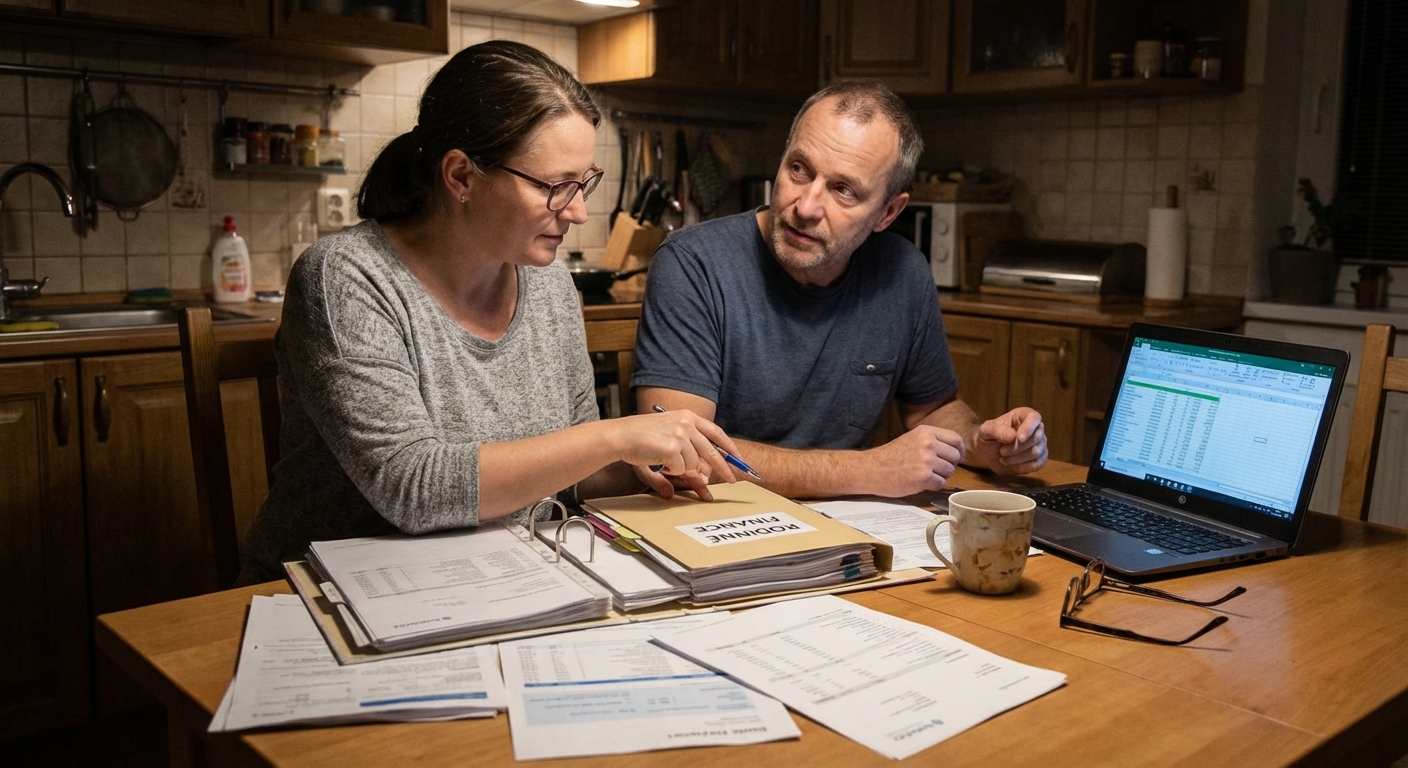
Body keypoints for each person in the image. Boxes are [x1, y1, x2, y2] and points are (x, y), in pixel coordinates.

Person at [238, 41, 741, 585]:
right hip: (331, 595)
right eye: (555, 186)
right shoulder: (346, 277)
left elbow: (567, 474)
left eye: (584, 181)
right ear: (460, 176)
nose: (577, 210)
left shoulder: (547, 283)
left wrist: (640, 468)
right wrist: (616, 437)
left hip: (496, 579)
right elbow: (413, 488)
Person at [632, 80, 1047, 500]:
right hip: (715, 521)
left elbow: (930, 410)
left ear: (888, 212)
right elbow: (678, 453)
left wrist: (979, 441)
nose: (806, 207)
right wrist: (868, 469)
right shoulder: (693, 263)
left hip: (849, 528)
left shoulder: (903, 272)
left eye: (843, 190)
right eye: (799, 169)